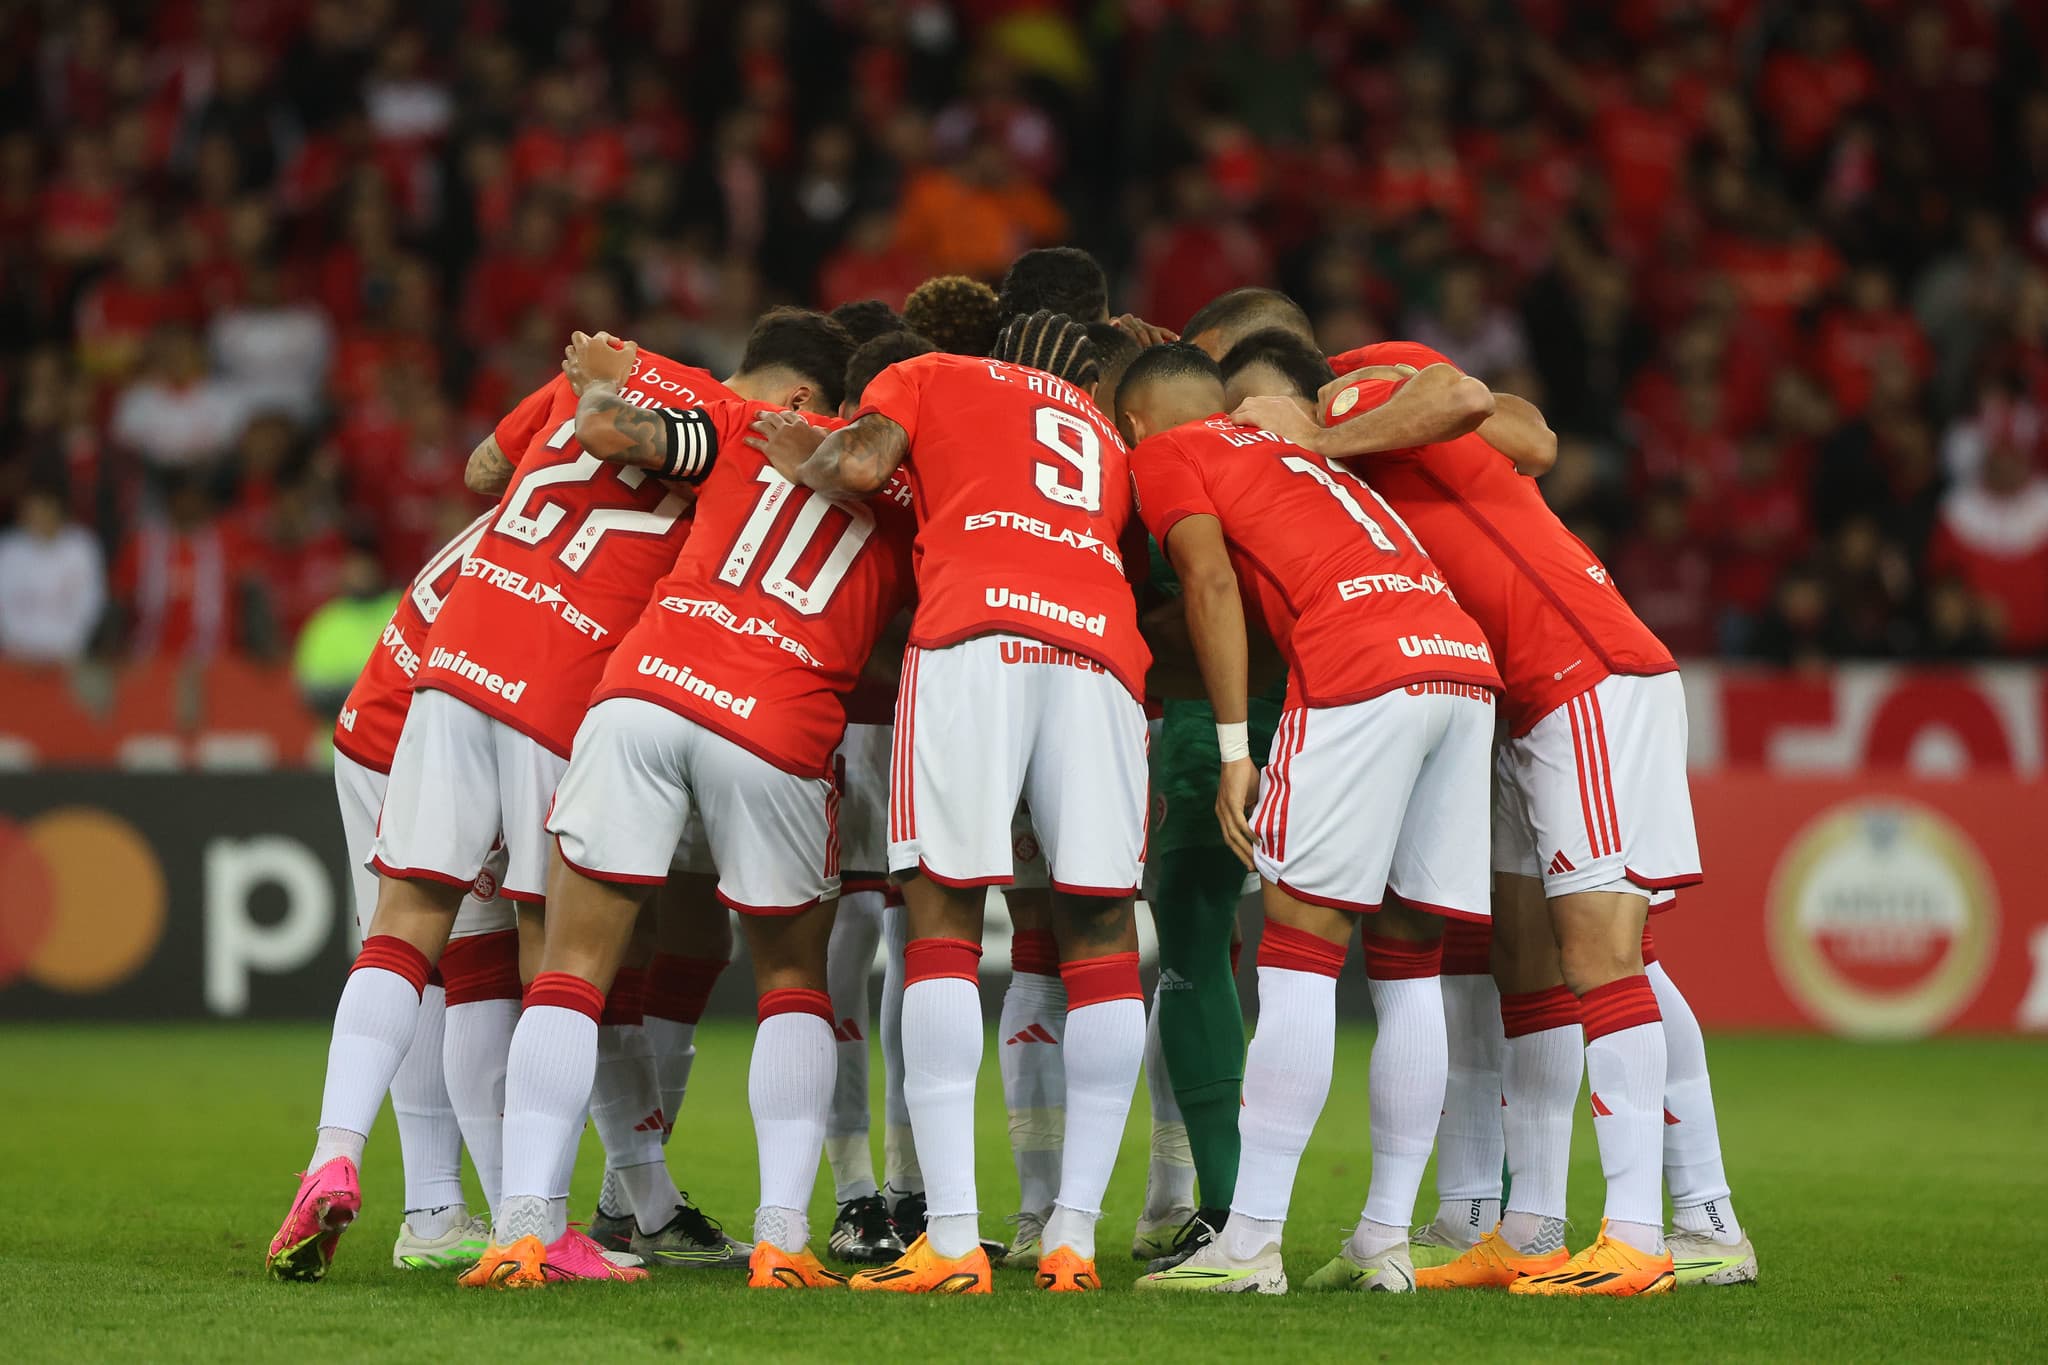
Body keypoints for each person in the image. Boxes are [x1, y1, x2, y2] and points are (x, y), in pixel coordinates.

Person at [264, 310, 851, 1283]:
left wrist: (590, 390)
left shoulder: (611, 369)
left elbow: (484, 474)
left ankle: (333, 1149)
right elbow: (635, 438)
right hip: (556, 684)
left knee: (405, 921)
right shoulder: (736, 434)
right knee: (559, 956)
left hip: (454, 657)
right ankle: (531, 1221)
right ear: (800, 404)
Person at [1235, 336, 1715, 1297]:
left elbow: (1472, 402)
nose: (1237, 424)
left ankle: (1661, 1227)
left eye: (1240, 399)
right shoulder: (1367, 457)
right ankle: (1532, 1225)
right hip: (1511, 699)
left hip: (1580, 667)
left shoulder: (1351, 391)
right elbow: (1524, 431)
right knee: (1525, 962)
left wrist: (1324, 436)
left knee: (1609, 953)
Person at [460, 331, 916, 1291]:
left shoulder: (747, 424)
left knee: (573, 966)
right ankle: (783, 1239)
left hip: (645, 694)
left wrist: (611, 395)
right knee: (793, 978)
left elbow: (618, 427)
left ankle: (524, 1230)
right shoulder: (920, 494)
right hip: (779, 721)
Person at [769, 311, 1151, 1295]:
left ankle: (948, 1239)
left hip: (975, 632)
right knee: (1100, 930)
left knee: (938, 912)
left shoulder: (927, 373)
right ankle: (1071, 1238)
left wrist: (798, 449)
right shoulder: (1100, 429)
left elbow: (857, 466)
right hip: (1101, 653)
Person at [1116, 344, 1499, 1295]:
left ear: (1132, 425)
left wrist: (1238, 750)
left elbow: (1205, 583)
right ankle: (1385, 1238)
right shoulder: (1297, 448)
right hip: (1459, 662)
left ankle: (1249, 1243)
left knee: (1299, 954)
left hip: (1358, 665)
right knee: (1409, 963)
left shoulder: (1168, 453)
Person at [325, 510, 521, 1272]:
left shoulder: (523, 508)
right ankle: (516, 1217)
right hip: (430, 738)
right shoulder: (591, 524)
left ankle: (433, 1210)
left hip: (376, 725)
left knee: (418, 958)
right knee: (478, 959)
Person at [819, 328, 935, 1265]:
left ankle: (902, 1186)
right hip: (853, 720)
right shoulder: (842, 460)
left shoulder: (918, 461)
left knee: (910, 943)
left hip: (916, 716)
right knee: (868, 938)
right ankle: (863, 1188)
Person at [0, 483, 105, 663]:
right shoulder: (8, 549)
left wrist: (71, 645)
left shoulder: (81, 547)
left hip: (67, 655)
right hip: (16, 657)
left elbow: (91, 603)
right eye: (30, 511)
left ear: (58, 511)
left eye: (43, 510)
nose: (37, 517)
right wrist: (14, 646)